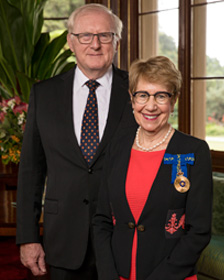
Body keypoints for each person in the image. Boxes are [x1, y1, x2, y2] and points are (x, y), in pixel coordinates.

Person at [16, 3, 136, 279]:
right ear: (71, 41)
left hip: (124, 237)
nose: (95, 44)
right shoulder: (44, 94)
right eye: (85, 36)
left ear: (116, 42)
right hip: (62, 238)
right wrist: (28, 237)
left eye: (104, 35)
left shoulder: (137, 92)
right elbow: (31, 169)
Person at [93, 56, 213, 280]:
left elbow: (199, 232)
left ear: (173, 100)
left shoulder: (194, 151)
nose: (150, 105)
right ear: (132, 99)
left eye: (161, 96)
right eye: (142, 95)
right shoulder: (117, 148)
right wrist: (108, 275)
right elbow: (102, 220)